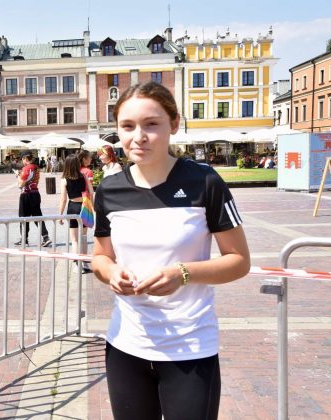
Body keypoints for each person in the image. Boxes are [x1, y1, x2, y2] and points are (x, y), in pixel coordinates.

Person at [91, 81, 250, 420]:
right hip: (126, 345)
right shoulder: (109, 189)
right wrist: (111, 274)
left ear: (173, 124)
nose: (139, 136)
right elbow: (100, 257)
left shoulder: (205, 182)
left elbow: (239, 262)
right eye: (128, 126)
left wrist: (183, 274)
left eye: (152, 124)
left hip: (190, 346)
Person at [57, 154, 94, 273]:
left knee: (74, 240)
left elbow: (63, 199)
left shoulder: (64, 179)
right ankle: (85, 263)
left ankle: (77, 265)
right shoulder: (83, 175)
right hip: (85, 205)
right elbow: (91, 192)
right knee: (83, 237)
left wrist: (60, 215)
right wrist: (92, 207)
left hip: (72, 207)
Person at [15, 151, 52, 247]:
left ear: (25, 158)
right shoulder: (36, 167)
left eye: (22, 159)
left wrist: (18, 176)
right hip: (35, 193)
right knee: (37, 216)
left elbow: (21, 184)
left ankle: (24, 239)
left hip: (26, 194)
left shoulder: (26, 168)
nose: (22, 161)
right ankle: (45, 237)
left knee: (23, 217)